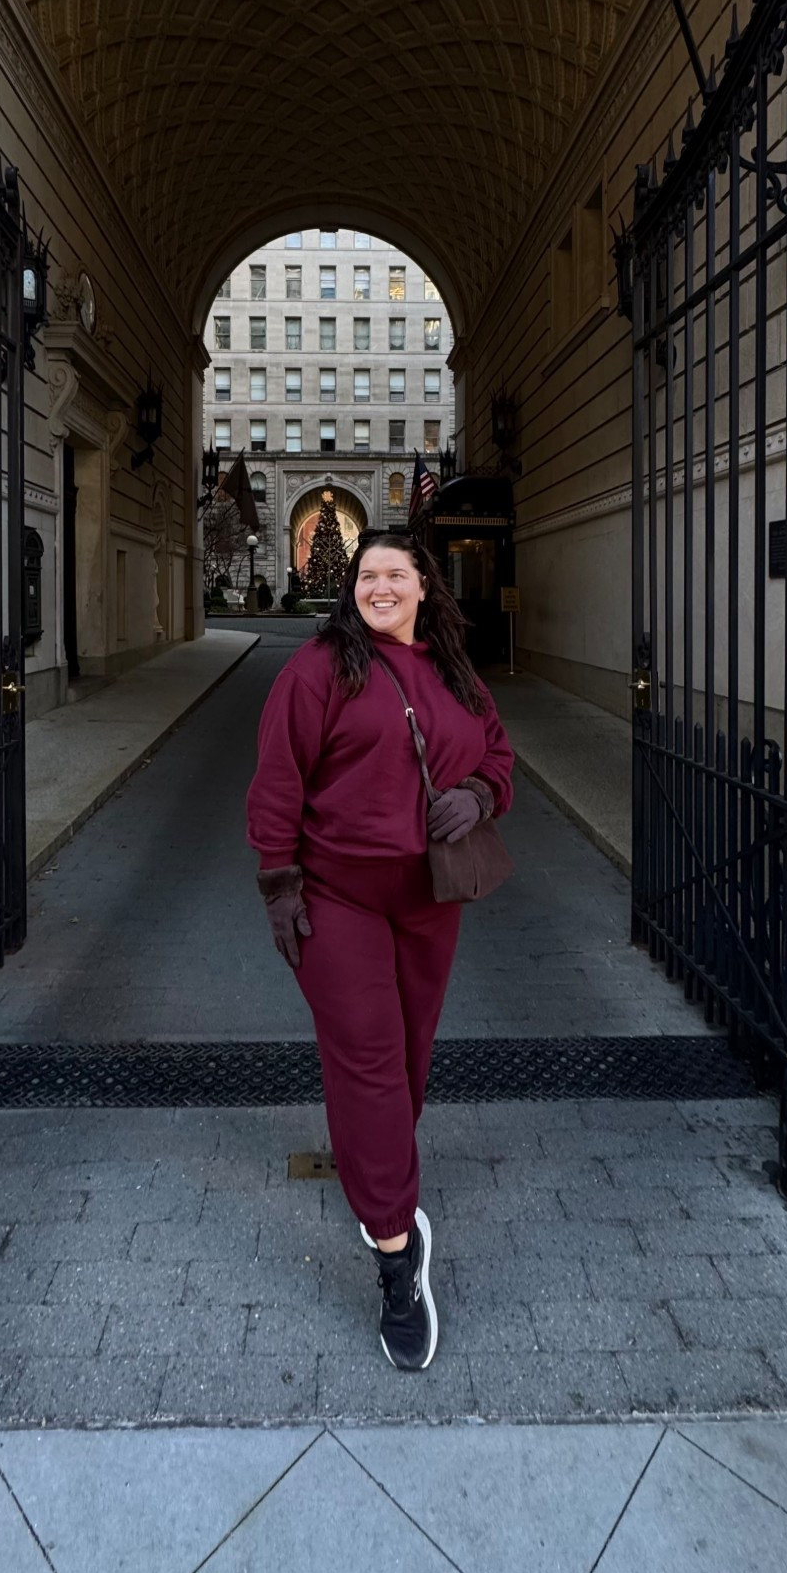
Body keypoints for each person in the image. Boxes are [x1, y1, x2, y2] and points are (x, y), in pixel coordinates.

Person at [246, 529, 514, 1371]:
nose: (382, 585)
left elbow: (500, 760)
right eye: (368, 575)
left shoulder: (458, 674)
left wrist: (477, 795)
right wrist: (280, 888)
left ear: (425, 587)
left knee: (407, 1062)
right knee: (366, 1061)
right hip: (338, 899)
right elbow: (278, 780)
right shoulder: (320, 670)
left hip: (431, 899)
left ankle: (384, 1175)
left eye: (398, 572)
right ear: (352, 590)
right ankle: (397, 1257)